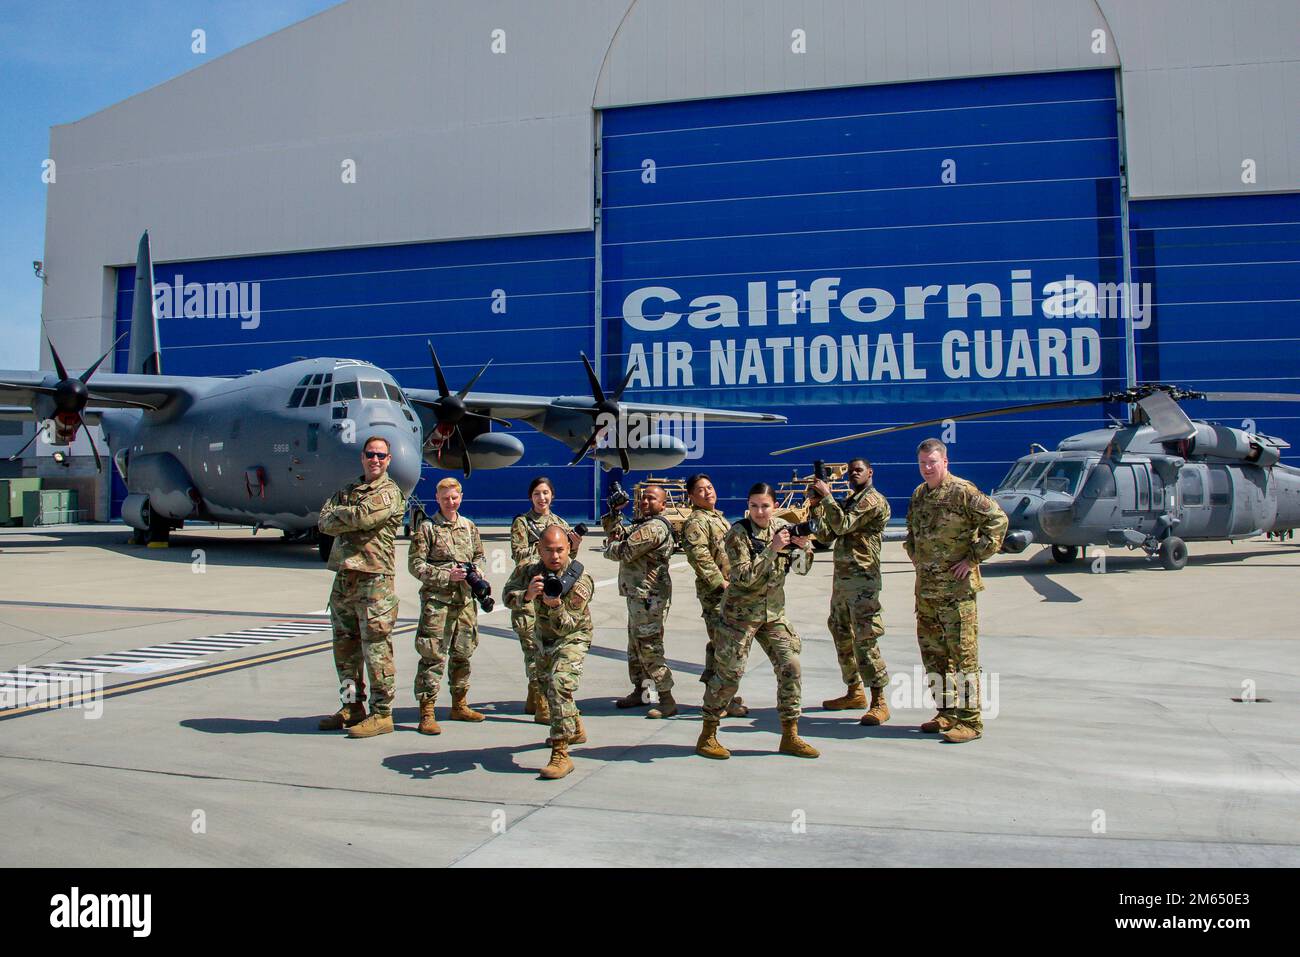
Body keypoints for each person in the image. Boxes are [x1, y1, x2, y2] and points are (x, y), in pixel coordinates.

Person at [696, 483, 818, 760]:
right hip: (739, 616)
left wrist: (803, 548)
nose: (760, 512)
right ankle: (708, 734)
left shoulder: (782, 528)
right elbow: (743, 578)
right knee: (729, 675)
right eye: (754, 506)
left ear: (774, 506)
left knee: (791, 666)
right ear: (748, 507)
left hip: (772, 615)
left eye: (765, 506)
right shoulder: (738, 533)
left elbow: (801, 570)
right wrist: (772, 550)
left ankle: (790, 734)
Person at [904, 439, 1008, 743]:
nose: (927, 468)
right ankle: (946, 712)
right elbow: (913, 532)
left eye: (932, 462)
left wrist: (973, 558)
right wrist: (915, 553)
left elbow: (998, 520)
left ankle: (971, 721)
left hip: (957, 592)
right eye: (922, 462)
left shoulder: (962, 491)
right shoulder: (919, 495)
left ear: (944, 462)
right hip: (926, 592)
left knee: (964, 657)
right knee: (934, 656)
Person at [316, 436, 406, 738]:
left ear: (389, 459)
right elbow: (323, 521)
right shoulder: (349, 489)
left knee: (376, 649)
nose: (375, 460)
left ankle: (382, 713)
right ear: (363, 457)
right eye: (370, 454)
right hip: (345, 579)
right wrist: (348, 517)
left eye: (381, 455)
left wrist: (344, 516)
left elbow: (365, 517)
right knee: (345, 649)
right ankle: (351, 705)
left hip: (374, 581)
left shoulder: (389, 492)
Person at [504, 526, 595, 780]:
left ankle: (561, 754)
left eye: (560, 550)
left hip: (573, 636)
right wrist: (527, 594)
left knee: (559, 684)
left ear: (569, 549)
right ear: (538, 550)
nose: (554, 556)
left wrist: (553, 605)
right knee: (544, 685)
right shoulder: (529, 570)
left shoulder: (580, 579)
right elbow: (507, 596)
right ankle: (574, 726)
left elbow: (567, 624)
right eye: (548, 551)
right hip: (543, 638)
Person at [808, 458, 892, 725]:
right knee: (841, 633)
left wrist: (828, 498)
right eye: (851, 471)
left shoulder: (873, 500)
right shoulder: (849, 501)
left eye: (859, 470)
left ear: (870, 472)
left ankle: (879, 700)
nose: (854, 475)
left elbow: (843, 525)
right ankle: (854, 690)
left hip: (863, 581)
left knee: (865, 638)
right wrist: (816, 505)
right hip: (843, 582)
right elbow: (824, 536)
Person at [408, 476, 488, 733]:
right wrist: (446, 575)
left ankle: (459, 703)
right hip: (438, 603)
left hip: (464, 601)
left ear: (461, 497)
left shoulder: (469, 527)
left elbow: (479, 555)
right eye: (445, 499)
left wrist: (478, 571)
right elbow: (416, 565)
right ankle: (427, 710)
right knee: (432, 656)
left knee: (463, 654)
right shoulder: (427, 528)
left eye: (454, 498)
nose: (450, 502)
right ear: (437, 499)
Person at [509, 477, 583, 725]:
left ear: (552, 496)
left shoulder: (560, 523)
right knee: (532, 647)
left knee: (548, 649)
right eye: (537, 494)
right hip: (531, 587)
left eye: (546, 493)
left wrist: (572, 547)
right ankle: (540, 700)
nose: (542, 498)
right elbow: (519, 554)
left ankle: (536, 694)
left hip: (553, 593)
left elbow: (567, 560)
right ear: (531, 497)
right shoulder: (522, 523)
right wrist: (546, 549)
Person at [602, 483, 676, 718]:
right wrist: (614, 513)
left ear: (663, 505)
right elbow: (618, 534)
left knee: (649, 646)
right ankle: (643, 691)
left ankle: (666, 698)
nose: (645, 502)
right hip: (639, 595)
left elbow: (624, 550)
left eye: (652, 499)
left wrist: (608, 548)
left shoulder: (654, 528)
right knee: (635, 646)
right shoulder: (643, 525)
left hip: (648, 597)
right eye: (643, 498)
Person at [680, 473, 747, 717]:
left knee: (720, 645)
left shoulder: (716, 517)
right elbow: (700, 557)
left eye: (710, 487)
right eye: (701, 490)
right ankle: (719, 702)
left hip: (730, 592)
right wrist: (721, 584)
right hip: (716, 594)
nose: (708, 492)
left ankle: (719, 693)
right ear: (691, 496)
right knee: (725, 646)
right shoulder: (697, 522)